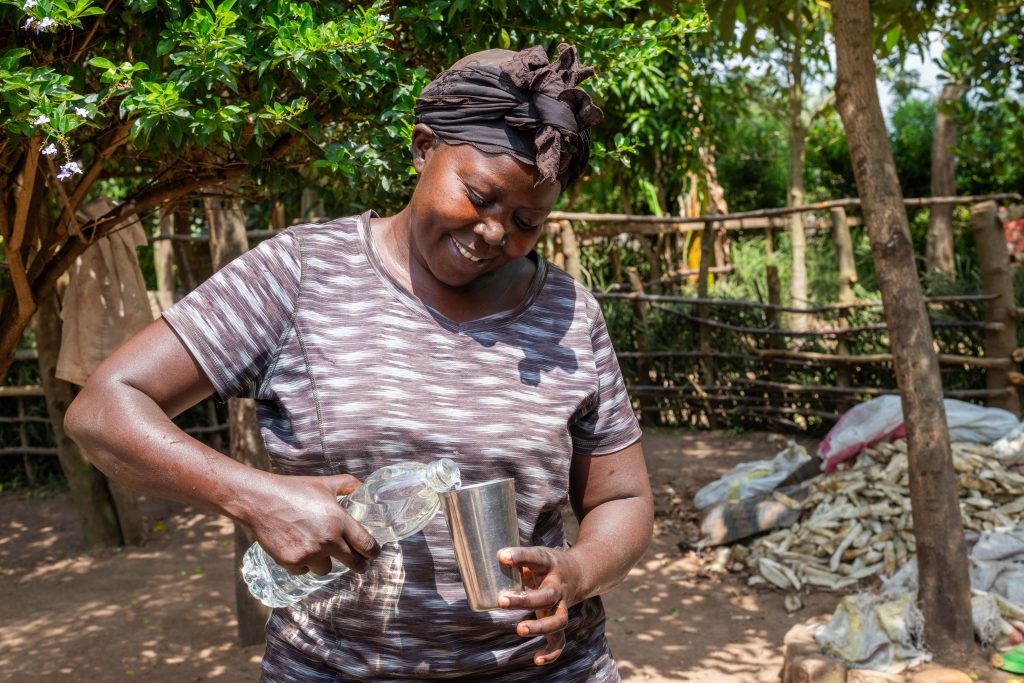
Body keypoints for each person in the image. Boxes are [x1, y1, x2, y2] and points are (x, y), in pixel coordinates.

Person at [66, 43, 654, 682]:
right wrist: (253, 495)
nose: (493, 234)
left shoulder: (568, 313)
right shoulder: (302, 274)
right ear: (423, 147)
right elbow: (104, 409)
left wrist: (578, 571)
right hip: (335, 668)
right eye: (479, 197)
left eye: (524, 221)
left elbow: (622, 496)